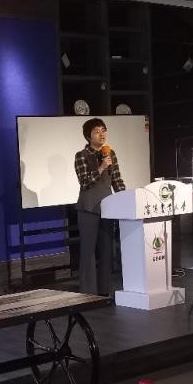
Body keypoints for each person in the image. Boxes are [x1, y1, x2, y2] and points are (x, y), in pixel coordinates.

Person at [74, 118, 125, 295]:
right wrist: (102, 167)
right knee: (88, 250)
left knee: (106, 250)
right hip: (88, 207)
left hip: (107, 207)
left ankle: (104, 291)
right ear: (89, 136)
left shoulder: (110, 154)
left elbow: (117, 179)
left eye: (103, 130)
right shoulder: (81, 155)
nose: (101, 134)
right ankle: (88, 292)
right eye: (97, 131)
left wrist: (125, 198)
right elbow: (85, 182)